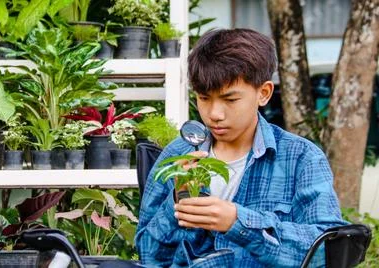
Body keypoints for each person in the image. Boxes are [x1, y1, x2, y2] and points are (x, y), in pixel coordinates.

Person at [135, 28, 347, 267]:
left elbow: (328, 252)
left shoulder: (301, 158)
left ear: (264, 93)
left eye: (230, 100)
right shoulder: (177, 155)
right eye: (204, 98)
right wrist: (176, 202)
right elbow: (148, 255)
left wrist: (238, 223)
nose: (214, 114)